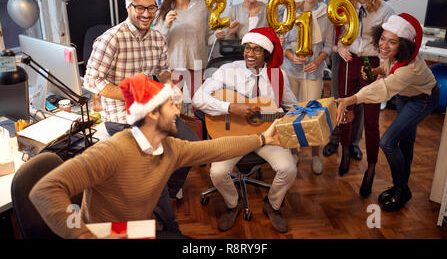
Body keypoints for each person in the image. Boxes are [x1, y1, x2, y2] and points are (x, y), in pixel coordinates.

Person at [29, 74, 282, 238]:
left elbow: (215, 149)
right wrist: (82, 235)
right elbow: (45, 191)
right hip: (106, 234)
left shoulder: (170, 148)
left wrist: (262, 139)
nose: (177, 111)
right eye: (170, 105)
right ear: (151, 114)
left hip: (135, 231)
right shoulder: (112, 151)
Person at [83, 0, 191, 233]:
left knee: (189, 147)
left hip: (152, 110)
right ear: (129, 7)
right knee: (155, 165)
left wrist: (170, 86)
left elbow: (162, 71)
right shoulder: (110, 39)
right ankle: (169, 227)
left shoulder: (157, 38)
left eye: (151, 8)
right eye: (139, 7)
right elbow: (91, 80)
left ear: (157, 8)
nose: (145, 13)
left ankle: (159, 197)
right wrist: (133, 94)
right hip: (120, 115)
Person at [192, 27, 298, 233]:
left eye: (257, 50)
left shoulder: (278, 75)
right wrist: (231, 108)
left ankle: (273, 205)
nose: (250, 54)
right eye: (247, 48)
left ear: (266, 53)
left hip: (266, 135)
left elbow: (291, 106)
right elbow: (198, 98)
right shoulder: (227, 71)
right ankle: (233, 203)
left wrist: (307, 113)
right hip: (233, 136)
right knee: (217, 173)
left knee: (289, 168)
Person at [336, 13, 438, 211]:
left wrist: (350, 99)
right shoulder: (395, 55)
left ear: (404, 46)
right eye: (383, 38)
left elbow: (382, 89)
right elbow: (386, 68)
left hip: (422, 99)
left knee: (388, 142)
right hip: (405, 94)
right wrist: (375, 71)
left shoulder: (411, 69)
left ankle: (402, 189)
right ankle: (401, 187)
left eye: (392, 42)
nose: (383, 45)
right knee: (406, 141)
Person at [323, 0, 415, 160]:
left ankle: (354, 143)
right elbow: (329, 22)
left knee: (362, 104)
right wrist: (338, 47)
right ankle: (336, 139)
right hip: (343, 57)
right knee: (340, 98)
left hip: (369, 59)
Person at [334, 0, 395, 198]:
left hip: (372, 64)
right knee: (345, 111)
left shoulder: (385, 11)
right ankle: (346, 150)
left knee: (370, 119)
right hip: (349, 62)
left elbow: (390, 45)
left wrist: (381, 69)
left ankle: (371, 166)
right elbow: (339, 37)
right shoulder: (344, 5)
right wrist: (340, 47)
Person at [282, 0, 333, 175]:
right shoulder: (290, 10)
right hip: (291, 70)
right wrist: (290, 55)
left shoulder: (326, 13)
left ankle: (315, 155)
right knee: (292, 113)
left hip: (313, 72)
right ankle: (293, 152)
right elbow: (282, 42)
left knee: (314, 114)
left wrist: (319, 61)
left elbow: (329, 45)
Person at [153, 0, 212, 102]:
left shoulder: (201, 6)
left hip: (197, 61)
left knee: (200, 102)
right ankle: (174, 125)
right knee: (174, 103)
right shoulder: (162, 10)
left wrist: (219, 34)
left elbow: (208, 35)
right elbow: (157, 41)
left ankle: (201, 125)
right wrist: (166, 25)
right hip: (174, 64)